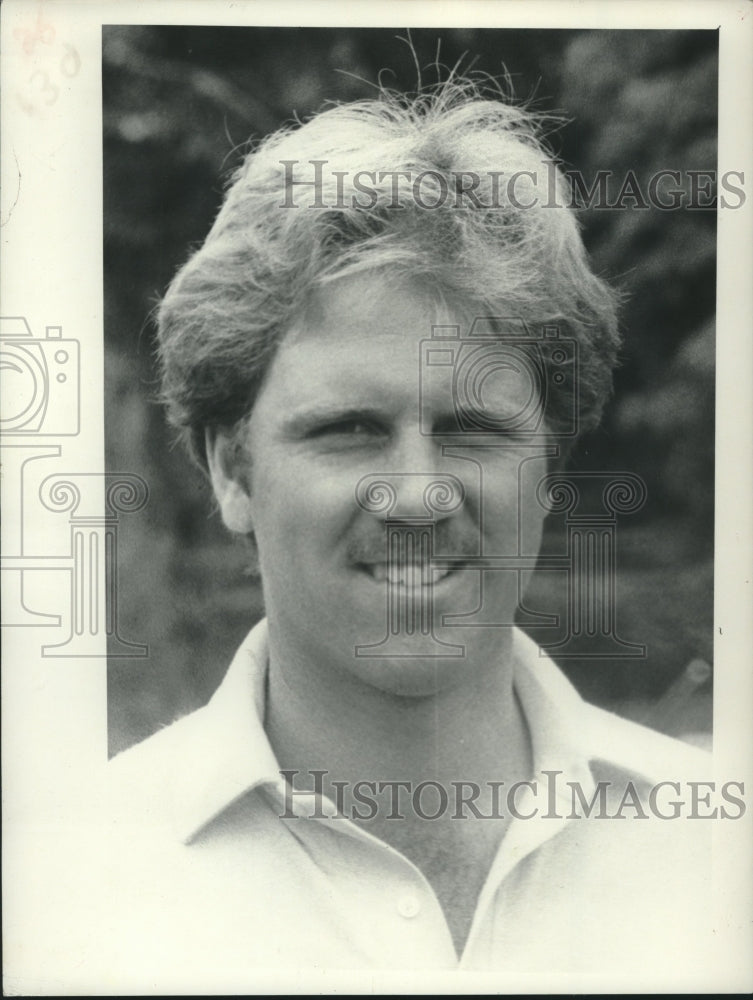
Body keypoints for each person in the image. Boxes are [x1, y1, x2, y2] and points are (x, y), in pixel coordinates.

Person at [88, 80, 712, 984]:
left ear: (549, 468)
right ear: (231, 471)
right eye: (348, 430)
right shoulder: (65, 883)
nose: (417, 495)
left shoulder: (714, 858)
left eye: (472, 430)